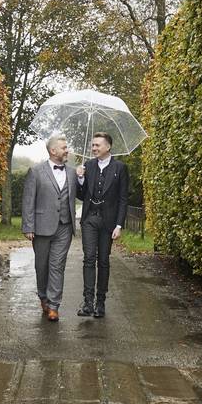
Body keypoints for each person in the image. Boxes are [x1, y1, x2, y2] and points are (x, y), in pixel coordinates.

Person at [22, 134, 77, 321]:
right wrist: (28, 227)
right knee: (42, 266)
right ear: (53, 151)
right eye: (64, 147)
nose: (67, 150)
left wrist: (83, 178)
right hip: (41, 227)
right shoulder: (36, 171)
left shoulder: (72, 172)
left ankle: (54, 305)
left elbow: (82, 193)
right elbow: (28, 201)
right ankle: (43, 297)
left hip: (65, 226)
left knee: (57, 266)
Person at [75, 132, 129, 318]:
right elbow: (82, 195)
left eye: (97, 145)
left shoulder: (120, 168)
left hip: (108, 222)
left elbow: (123, 199)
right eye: (93, 145)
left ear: (108, 147)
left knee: (103, 261)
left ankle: (101, 303)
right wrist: (80, 179)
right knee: (89, 258)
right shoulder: (88, 166)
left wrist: (119, 225)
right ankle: (88, 303)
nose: (94, 148)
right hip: (90, 218)